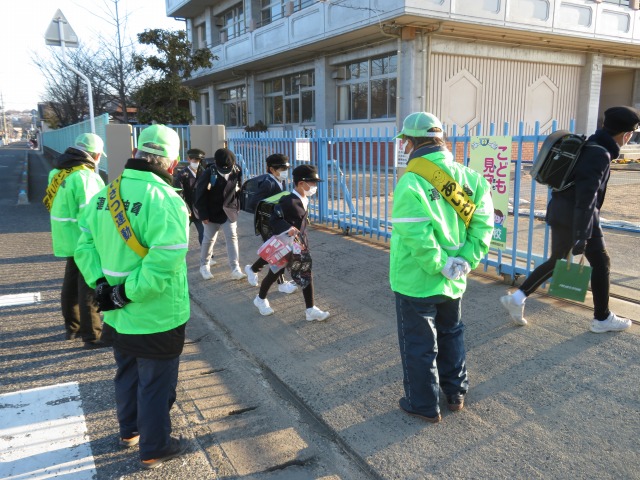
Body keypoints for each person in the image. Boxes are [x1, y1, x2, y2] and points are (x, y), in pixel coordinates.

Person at [75, 124, 189, 469]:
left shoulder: (104, 195)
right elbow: (165, 258)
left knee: (126, 370)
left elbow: (84, 246)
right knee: (156, 380)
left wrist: (103, 288)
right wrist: (126, 293)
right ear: (171, 164)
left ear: (137, 155)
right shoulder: (166, 200)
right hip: (156, 312)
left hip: (115, 311)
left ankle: (130, 431)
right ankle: (155, 446)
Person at [390, 112, 493, 422]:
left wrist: (439, 264)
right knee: (451, 333)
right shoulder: (472, 178)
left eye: (405, 142)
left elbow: (414, 231)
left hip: (417, 279)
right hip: (455, 279)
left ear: (409, 142)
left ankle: (423, 404)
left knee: (419, 343)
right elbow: (484, 225)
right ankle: (455, 393)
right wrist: (463, 261)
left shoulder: (412, 180)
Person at [500, 106, 639, 333]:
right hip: (581, 217)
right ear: (626, 134)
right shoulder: (600, 154)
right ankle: (602, 318)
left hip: (561, 212)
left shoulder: (589, 145)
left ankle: (517, 297)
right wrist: (582, 235)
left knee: (556, 260)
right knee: (601, 264)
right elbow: (587, 197)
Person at [44, 133, 106, 349]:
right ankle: (93, 336)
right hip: (84, 241)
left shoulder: (58, 172)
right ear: (95, 155)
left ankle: (73, 328)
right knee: (89, 286)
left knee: (70, 284)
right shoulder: (86, 177)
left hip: (65, 238)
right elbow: (93, 215)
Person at [252, 164, 330, 321]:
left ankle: (310, 309)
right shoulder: (288, 200)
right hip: (284, 245)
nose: (314, 187)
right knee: (274, 273)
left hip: (299, 246)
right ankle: (260, 299)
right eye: (312, 183)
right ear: (301, 183)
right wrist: (288, 228)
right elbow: (274, 219)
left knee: (306, 273)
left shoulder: (304, 199)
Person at [244, 153, 298, 294]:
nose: (284, 172)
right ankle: (278, 283)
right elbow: (254, 202)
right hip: (268, 224)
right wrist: (274, 205)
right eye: (281, 169)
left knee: (277, 252)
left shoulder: (279, 180)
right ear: (271, 169)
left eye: (285, 168)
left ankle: (254, 270)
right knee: (278, 252)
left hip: (277, 223)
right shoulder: (268, 183)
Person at [193, 148, 246, 281]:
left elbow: (238, 189)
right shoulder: (208, 173)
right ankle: (204, 266)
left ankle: (235, 268)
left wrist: (237, 208)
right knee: (209, 239)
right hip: (211, 213)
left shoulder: (237, 170)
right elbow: (199, 195)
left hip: (229, 211)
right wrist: (203, 215)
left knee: (232, 238)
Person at [174, 148, 206, 245]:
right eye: (194, 160)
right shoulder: (183, 174)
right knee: (182, 233)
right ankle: (181, 254)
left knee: (204, 233)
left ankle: (207, 256)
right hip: (186, 209)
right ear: (188, 159)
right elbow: (179, 193)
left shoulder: (204, 172)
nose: (196, 162)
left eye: (198, 160)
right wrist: (185, 209)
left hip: (199, 209)